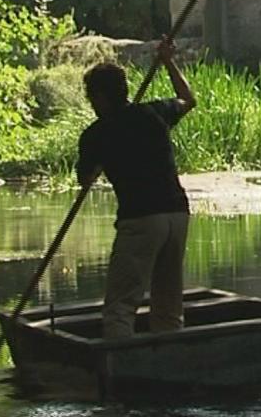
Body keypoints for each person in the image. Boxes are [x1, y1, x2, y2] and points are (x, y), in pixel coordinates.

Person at [76, 38, 196, 340]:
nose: (90, 102)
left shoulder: (96, 134)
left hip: (141, 219)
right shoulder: (155, 113)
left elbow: (86, 179)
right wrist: (168, 62)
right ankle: (170, 360)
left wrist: (98, 163)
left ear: (101, 97)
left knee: (120, 306)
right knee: (168, 304)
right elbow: (187, 99)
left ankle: (121, 371)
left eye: (91, 96)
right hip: (177, 213)